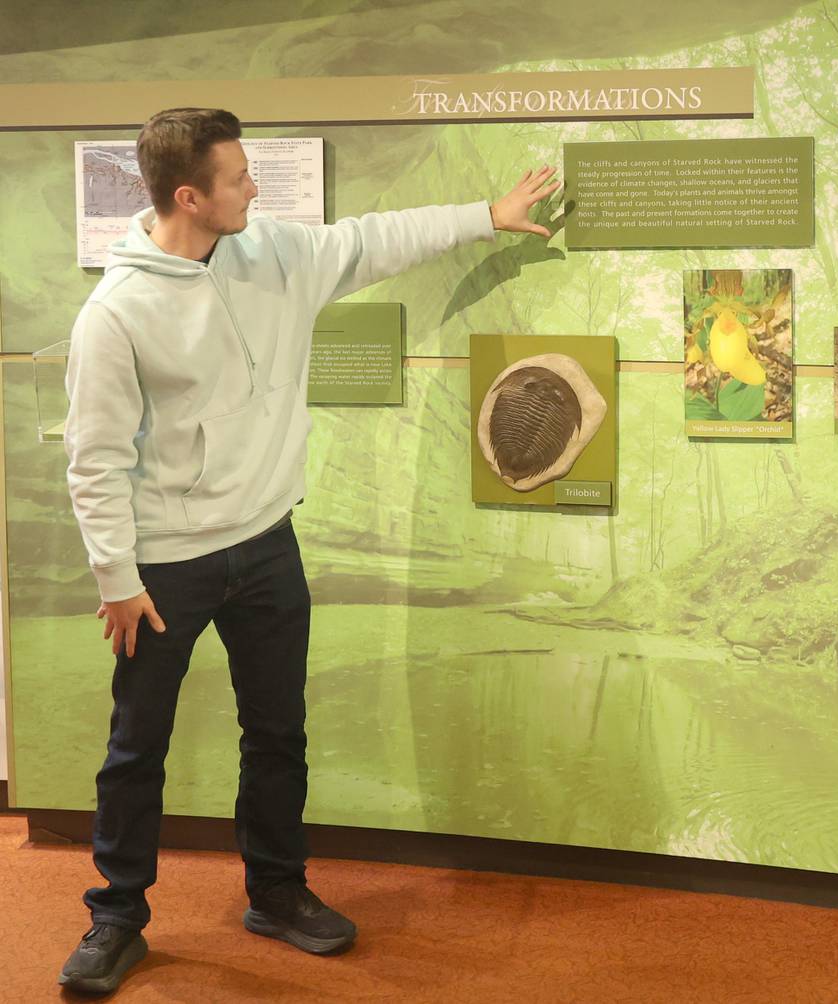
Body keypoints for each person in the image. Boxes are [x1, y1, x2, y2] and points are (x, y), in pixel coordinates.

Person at [58, 107, 559, 994]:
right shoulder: (117, 313)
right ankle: (116, 919)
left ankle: (278, 894)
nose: (256, 188)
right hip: (165, 566)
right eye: (239, 178)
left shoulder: (274, 255)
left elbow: (374, 241)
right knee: (138, 747)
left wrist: (488, 213)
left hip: (266, 546)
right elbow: (93, 460)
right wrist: (118, 581)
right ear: (190, 195)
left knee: (278, 732)